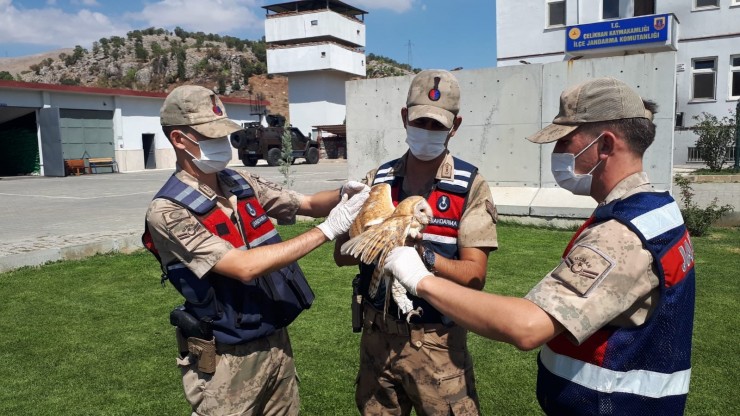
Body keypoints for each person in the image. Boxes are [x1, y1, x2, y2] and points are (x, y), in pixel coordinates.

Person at [384, 77, 696, 415]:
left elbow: (528, 327)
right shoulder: (654, 210)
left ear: (605, 146)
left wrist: (419, 278)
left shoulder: (622, 234)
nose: (557, 153)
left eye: (564, 141)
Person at [142, 85, 369, 415]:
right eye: (210, 135)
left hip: (276, 342)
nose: (223, 144)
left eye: (224, 134)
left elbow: (303, 203)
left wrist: (344, 194)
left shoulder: (239, 182)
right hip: (226, 359)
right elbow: (242, 266)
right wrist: (328, 230)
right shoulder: (168, 211)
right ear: (179, 139)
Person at [334, 69, 499, 415]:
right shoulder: (379, 179)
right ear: (404, 118)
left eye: (438, 125)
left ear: (455, 126)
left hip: (438, 343)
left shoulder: (470, 184)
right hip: (376, 336)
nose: (428, 132)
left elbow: (474, 276)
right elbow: (343, 255)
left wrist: (421, 254)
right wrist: (354, 218)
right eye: (420, 122)